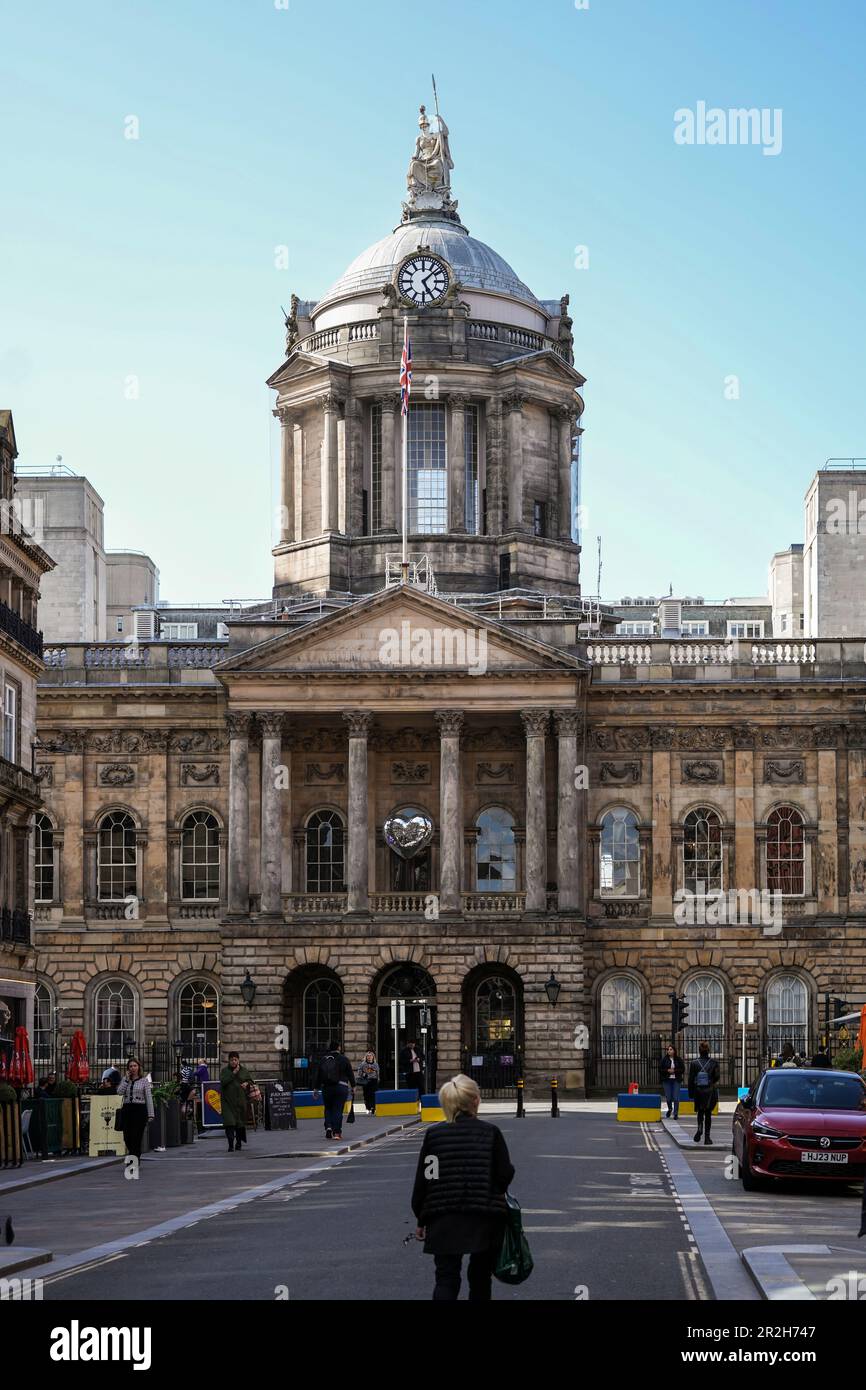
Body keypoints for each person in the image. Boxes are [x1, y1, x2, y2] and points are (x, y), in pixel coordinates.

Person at [411, 1074, 514, 1302]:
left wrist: (421, 1218)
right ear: (476, 1100)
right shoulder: (490, 1133)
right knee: (480, 1277)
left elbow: (427, 1179)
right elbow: (504, 1173)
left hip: (443, 1217)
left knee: (446, 1278)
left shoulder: (434, 1135)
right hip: (484, 1216)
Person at [312, 1041, 354, 1141]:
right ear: (339, 1047)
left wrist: (316, 1088)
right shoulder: (344, 1059)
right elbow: (350, 1073)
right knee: (338, 1109)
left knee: (328, 1108)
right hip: (341, 1087)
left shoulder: (324, 1059)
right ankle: (337, 1132)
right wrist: (353, 1086)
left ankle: (328, 1127)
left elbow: (318, 1075)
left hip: (327, 1087)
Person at [117, 1058, 154, 1161]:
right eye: (130, 1066)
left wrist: (151, 1114)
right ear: (128, 1068)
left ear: (139, 1067)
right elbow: (119, 1092)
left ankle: (133, 1159)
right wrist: (126, 1080)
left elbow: (148, 1098)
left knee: (136, 1137)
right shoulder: (125, 1079)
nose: (133, 1068)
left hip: (139, 1110)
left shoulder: (144, 1081)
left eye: (135, 1066)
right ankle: (135, 1154)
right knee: (127, 1137)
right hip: (127, 1110)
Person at [220, 1051, 256, 1152]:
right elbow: (223, 1082)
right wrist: (233, 1074)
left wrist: (247, 1084)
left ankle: (239, 1143)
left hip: (240, 1102)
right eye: (232, 1060)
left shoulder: (244, 1070)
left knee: (240, 1125)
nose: (234, 1062)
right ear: (229, 1061)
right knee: (230, 1124)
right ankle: (230, 1145)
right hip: (227, 1103)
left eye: (235, 1060)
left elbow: (251, 1081)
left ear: (238, 1060)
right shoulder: (225, 1071)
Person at [687, 1041, 720, 1145]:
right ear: (708, 1051)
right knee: (708, 1114)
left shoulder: (694, 1063)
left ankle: (700, 1128)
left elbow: (690, 1079)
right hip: (710, 1090)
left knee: (700, 1112)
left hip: (698, 1090)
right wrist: (710, 1082)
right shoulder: (714, 1063)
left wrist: (691, 1093)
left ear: (699, 1051)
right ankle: (707, 1138)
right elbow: (717, 1077)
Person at [659, 1044, 684, 1118]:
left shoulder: (678, 1059)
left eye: (671, 1049)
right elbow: (660, 1069)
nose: (669, 1051)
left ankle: (675, 1113)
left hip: (676, 1080)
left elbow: (682, 1069)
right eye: (668, 1049)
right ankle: (670, 1109)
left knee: (676, 1097)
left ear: (674, 1051)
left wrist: (674, 1071)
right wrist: (667, 1070)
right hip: (667, 1080)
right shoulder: (664, 1059)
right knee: (668, 1097)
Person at [356, 1050, 380, 1115]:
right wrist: (363, 1074)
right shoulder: (363, 1064)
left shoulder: (375, 1064)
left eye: (371, 1056)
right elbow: (359, 1072)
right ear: (366, 1057)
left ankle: (373, 1108)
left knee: (373, 1095)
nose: (369, 1057)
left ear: (373, 1057)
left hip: (373, 1081)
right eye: (368, 1056)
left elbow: (378, 1073)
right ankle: (367, 1107)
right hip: (366, 1081)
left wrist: (378, 1079)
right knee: (366, 1095)